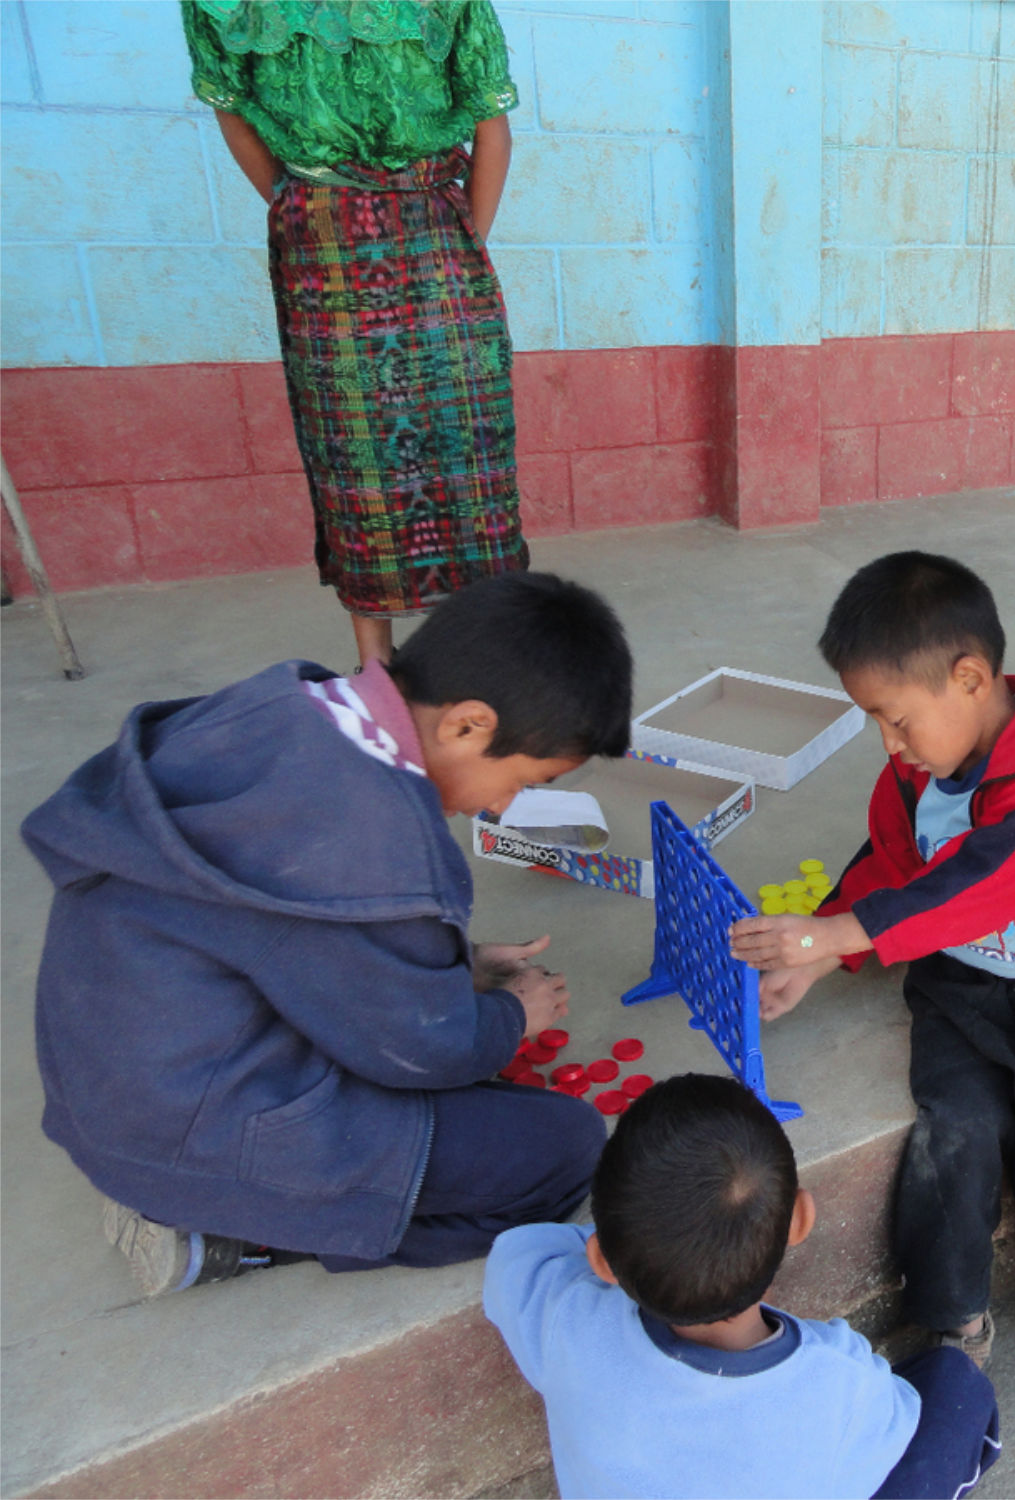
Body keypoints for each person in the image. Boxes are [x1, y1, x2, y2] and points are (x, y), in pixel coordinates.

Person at [24, 572, 633, 1295]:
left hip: (115, 1095)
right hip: (197, 1132)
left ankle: (208, 1198)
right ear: (467, 725)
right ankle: (234, 1237)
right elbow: (425, 1052)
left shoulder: (282, 705)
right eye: (525, 782)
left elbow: (287, 934)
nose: (504, 807)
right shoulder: (377, 840)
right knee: (562, 1148)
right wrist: (509, 1015)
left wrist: (450, 962)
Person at [728, 552, 1015, 1400]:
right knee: (953, 1131)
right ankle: (951, 1315)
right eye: (877, 721)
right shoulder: (910, 775)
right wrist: (829, 954)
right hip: (958, 990)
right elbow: (890, 867)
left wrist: (829, 933)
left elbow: (976, 883)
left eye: (895, 718)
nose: (888, 741)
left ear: (970, 678)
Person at [182, 0, 527, 669]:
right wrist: (465, 243)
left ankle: (381, 664)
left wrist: (303, 198)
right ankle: (469, 654)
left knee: (356, 443)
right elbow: (494, 129)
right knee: (450, 439)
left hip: (326, 225)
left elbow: (232, 113)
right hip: (424, 230)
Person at [484, 1073, 1002, 1500]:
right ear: (801, 1219)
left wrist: (627, 1252)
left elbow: (516, 1254)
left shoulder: (568, 1320)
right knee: (954, 1381)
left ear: (602, 1261)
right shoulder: (836, 1375)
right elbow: (891, 1428)